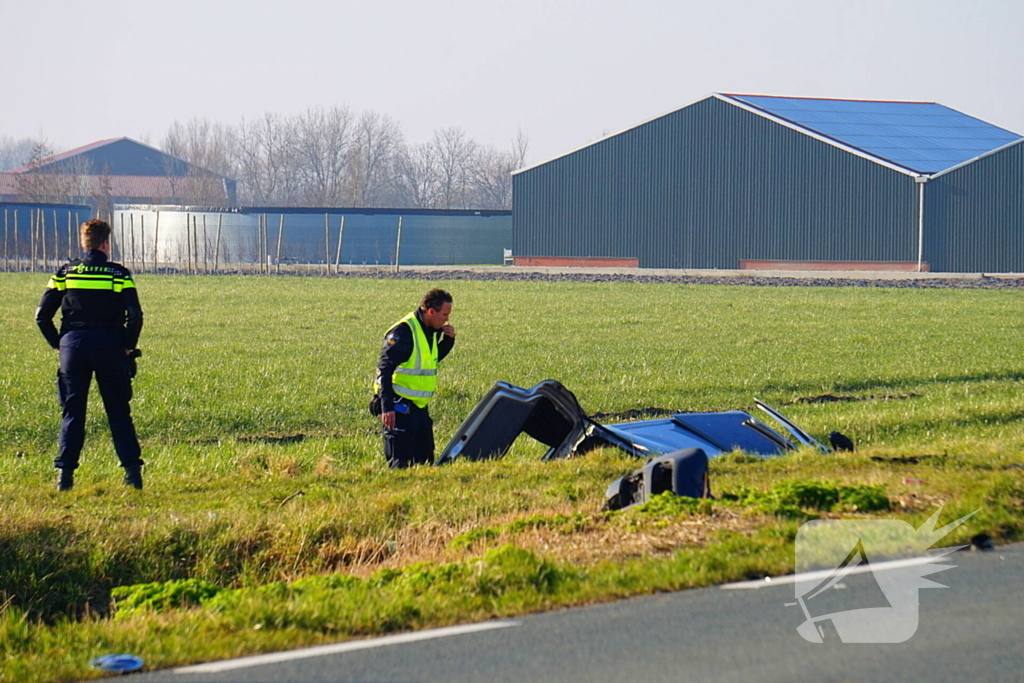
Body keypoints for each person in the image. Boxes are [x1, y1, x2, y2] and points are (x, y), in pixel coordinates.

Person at [35, 219, 145, 491]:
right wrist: (128, 346)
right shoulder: (117, 274)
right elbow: (135, 316)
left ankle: (65, 478)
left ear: (83, 243)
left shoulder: (66, 272)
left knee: (73, 413)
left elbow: (41, 316)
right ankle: (132, 477)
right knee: (118, 412)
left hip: (73, 347)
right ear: (106, 244)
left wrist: (59, 344)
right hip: (109, 346)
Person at [373, 289, 455, 468]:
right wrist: (387, 407)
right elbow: (384, 370)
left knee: (424, 462)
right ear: (431, 311)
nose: (447, 319)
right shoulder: (403, 332)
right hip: (399, 406)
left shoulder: (430, 330)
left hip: (419, 407)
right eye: (445, 314)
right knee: (401, 464)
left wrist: (448, 341)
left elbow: (428, 362)